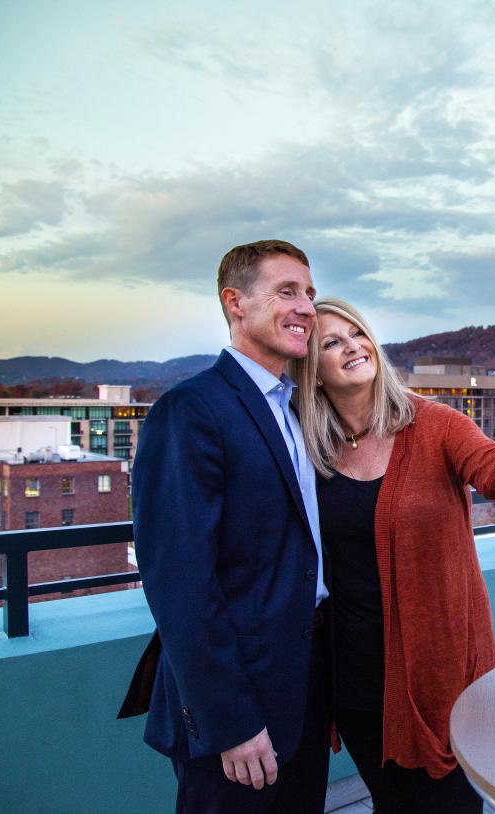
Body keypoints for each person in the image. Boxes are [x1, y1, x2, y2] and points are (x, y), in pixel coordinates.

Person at [291, 296, 495, 813]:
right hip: (355, 683)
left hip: (441, 679)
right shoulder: (307, 447)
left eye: (357, 332)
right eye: (332, 342)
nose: (353, 345)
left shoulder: (434, 425)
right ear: (311, 373)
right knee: (392, 804)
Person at [124, 240, 331, 814]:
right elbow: (179, 581)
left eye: (310, 295)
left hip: (304, 687)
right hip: (238, 708)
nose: (306, 308)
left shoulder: (292, 409)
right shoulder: (191, 410)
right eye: (287, 291)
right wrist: (230, 722)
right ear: (235, 302)